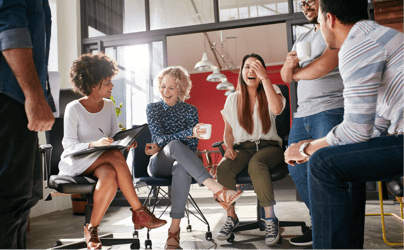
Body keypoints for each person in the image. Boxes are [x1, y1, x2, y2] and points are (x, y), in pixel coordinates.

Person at [285, 0, 404, 248]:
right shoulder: (377, 35)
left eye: (319, 21)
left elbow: (355, 131)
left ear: (330, 19)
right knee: (329, 154)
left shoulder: (355, 47)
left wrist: (308, 149)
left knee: (323, 162)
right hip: (397, 134)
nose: (318, 28)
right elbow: (378, 122)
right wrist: (316, 144)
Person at [280, 0, 366, 247]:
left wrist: (296, 73)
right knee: (296, 167)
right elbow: (286, 78)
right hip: (302, 114)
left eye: (309, 0)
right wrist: (289, 67)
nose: (305, 5)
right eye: (301, 3)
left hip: (330, 109)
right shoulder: (304, 37)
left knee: (330, 170)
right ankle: (322, 222)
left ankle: (342, 232)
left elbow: (326, 65)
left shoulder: (335, 28)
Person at [60, 53, 167, 250]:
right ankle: (139, 211)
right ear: (93, 85)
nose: (112, 85)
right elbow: (69, 146)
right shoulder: (73, 109)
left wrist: (126, 141)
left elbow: (114, 133)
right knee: (114, 156)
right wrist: (95, 144)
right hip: (76, 161)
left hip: (102, 161)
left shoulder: (108, 105)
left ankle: (91, 229)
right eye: (108, 82)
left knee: (109, 175)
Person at [145, 66, 243, 250]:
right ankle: (217, 189)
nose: (165, 92)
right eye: (163, 86)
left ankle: (173, 233)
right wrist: (188, 133)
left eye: (171, 88)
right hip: (159, 163)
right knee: (174, 145)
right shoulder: (153, 108)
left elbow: (191, 148)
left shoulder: (190, 110)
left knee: (182, 167)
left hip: (180, 163)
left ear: (180, 90)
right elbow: (159, 139)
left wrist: (183, 137)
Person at [0, 1, 55, 249]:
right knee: (11, 199)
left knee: (23, 196)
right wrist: (34, 94)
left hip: (15, 97)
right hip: (9, 96)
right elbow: (9, 24)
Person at [215, 54, 286, 246]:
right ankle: (231, 217)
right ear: (241, 72)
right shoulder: (232, 99)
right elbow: (228, 132)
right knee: (222, 168)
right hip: (242, 149)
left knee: (257, 164)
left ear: (262, 70)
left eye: (256, 67)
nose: (251, 71)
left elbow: (278, 109)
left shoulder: (273, 90)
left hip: (269, 147)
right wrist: (229, 148)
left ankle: (271, 220)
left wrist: (266, 79)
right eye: (247, 67)